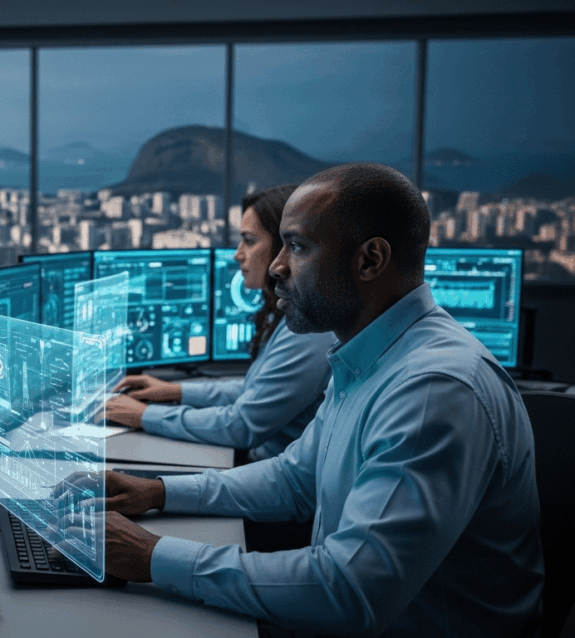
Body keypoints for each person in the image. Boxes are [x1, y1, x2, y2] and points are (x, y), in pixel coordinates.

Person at [69, 163, 544, 636]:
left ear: (370, 260)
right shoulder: (369, 355)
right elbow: (295, 478)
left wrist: (153, 557)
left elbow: (349, 589)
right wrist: (157, 491)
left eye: (297, 246)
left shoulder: (433, 391)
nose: (277, 266)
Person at [106, 184, 336, 464]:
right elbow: (255, 391)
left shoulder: (308, 331)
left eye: (249, 241)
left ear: (283, 248)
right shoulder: (291, 316)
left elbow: (242, 425)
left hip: (264, 473)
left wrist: (143, 415)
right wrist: (174, 391)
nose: (237, 254)